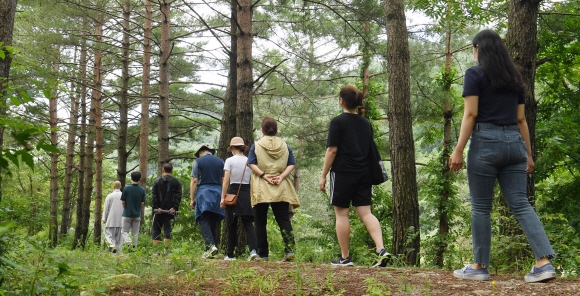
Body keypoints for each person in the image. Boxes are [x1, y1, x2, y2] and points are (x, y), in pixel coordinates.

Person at [449, 29, 556, 283]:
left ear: (478, 49)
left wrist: (458, 150)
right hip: (515, 144)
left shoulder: (474, 74)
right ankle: (544, 263)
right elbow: (521, 119)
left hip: (486, 142)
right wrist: (528, 155)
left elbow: (471, 115)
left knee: (481, 207)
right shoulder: (515, 79)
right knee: (520, 203)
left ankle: (479, 266)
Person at [319, 85, 390, 268]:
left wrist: (324, 175)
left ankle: (345, 258)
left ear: (341, 101)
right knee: (366, 212)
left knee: (342, 214)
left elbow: (332, 150)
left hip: (342, 173)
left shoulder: (337, 122)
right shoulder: (365, 123)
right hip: (363, 173)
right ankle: (381, 249)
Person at [248, 117, 300, 262]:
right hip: (280, 186)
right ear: (276, 130)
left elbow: (251, 163)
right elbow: (292, 164)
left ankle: (263, 254)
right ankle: (290, 251)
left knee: (260, 221)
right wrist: (281, 176)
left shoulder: (256, 145)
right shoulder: (284, 145)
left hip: (261, 186)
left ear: (262, 130)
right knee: (283, 219)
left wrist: (264, 175)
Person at [219, 137, 258, 261]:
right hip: (246, 192)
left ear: (232, 148)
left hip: (233, 192)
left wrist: (222, 197)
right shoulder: (249, 161)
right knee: (248, 224)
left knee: (232, 224)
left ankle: (230, 254)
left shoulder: (229, 160)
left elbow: (226, 180)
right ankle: (253, 251)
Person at [190, 143, 225, 259]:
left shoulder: (198, 162)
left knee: (203, 218)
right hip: (218, 192)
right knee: (213, 221)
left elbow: (195, 180)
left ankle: (210, 246)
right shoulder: (220, 162)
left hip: (204, 192)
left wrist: (192, 198)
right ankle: (210, 250)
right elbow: (223, 180)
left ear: (200, 152)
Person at [152, 163, 183, 255]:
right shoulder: (176, 182)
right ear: (172, 171)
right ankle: (166, 251)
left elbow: (154, 196)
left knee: (156, 229)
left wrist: (156, 207)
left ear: (163, 170)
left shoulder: (157, 181)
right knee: (167, 230)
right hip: (171, 211)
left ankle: (156, 251)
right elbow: (178, 196)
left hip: (158, 211)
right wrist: (174, 207)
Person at [121, 171, 146, 249]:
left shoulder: (126, 188)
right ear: (139, 179)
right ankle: (134, 248)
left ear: (131, 178)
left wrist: (126, 208)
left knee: (124, 231)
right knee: (135, 233)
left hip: (127, 214)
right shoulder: (142, 189)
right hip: (137, 214)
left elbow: (123, 202)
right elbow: (142, 203)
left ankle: (128, 242)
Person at [102, 181, 124, 253]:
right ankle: (118, 254)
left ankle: (112, 245)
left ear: (113, 187)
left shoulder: (109, 196)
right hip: (121, 221)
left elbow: (106, 208)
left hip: (111, 220)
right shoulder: (124, 196)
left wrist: (104, 219)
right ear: (121, 187)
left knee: (108, 236)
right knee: (119, 240)